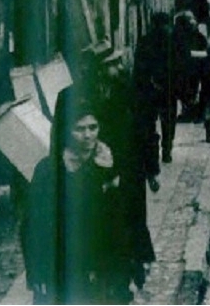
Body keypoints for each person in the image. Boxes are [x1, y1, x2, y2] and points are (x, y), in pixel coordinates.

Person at [20, 89, 140, 304]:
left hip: (105, 268)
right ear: (65, 131)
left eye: (93, 127)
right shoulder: (49, 172)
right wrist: (37, 274)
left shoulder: (110, 165)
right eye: (79, 129)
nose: (88, 136)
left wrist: (134, 263)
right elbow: (32, 227)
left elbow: (127, 218)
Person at [86, 52, 157, 286]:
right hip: (103, 165)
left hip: (131, 166)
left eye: (117, 63)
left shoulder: (131, 94)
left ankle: (136, 263)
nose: (116, 67)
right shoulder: (92, 93)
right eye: (110, 64)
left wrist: (152, 170)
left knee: (133, 214)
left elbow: (147, 134)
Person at [134, 12, 176, 164]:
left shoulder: (145, 41)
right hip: (168, 89)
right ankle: (166, 150)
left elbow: (138, 67)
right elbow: (179, 67)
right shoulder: (172, 40)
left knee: (150, 123)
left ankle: (154, 153)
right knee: (168, 122)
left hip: (149, 89)